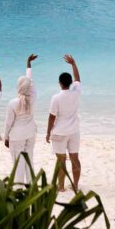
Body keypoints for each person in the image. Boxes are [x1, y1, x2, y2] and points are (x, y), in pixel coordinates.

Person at [45, 53, 83, 192]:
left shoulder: (56, 97)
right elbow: (78, 79)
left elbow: (51, 117)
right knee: (75, 158)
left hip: (60, 132)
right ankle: (75, 185)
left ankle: (60, 187)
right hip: (74, 131)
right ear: (70, 83)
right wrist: (73, 64)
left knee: (61, 160)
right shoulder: (76, 92)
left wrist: (48, 132)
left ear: (60, 83)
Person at [4, 53, 38, 184]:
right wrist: (29, 64)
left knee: (18, 165)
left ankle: (19, 189)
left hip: (16, 136)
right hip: (30, 133)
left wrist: (6, 137)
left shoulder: (13, 102)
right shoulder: (33, 98)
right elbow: (31, 82)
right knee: (29, 161)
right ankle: (31, 186)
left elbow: (8, 123)